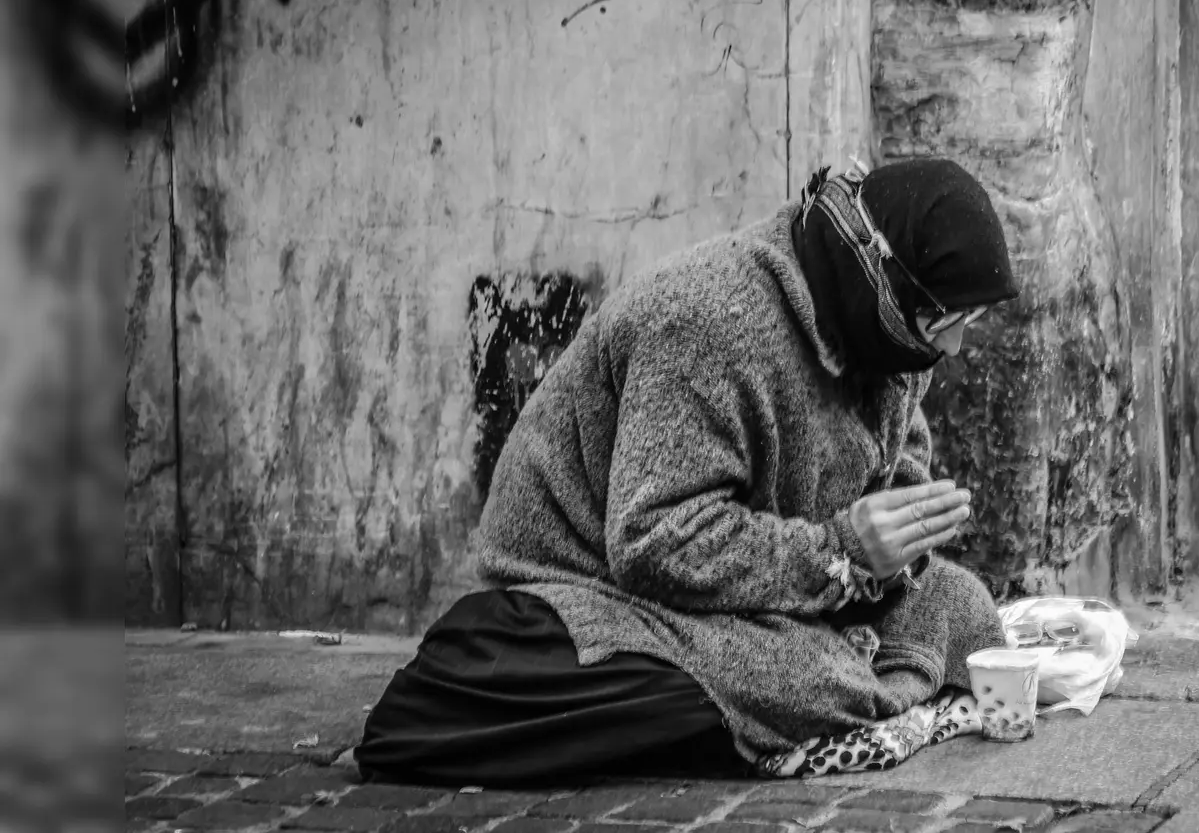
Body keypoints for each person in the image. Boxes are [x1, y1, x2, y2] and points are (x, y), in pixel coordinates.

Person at [354, 157, 1021, 786]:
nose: (953, 346)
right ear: (884, 284)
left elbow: (898, 450)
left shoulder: (892, 325)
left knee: (960, 605)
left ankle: (827, 674)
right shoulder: (705, 323)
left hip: (766, 580)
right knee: (808, 680)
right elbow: (654, 541)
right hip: (588, 586)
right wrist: (841, 555)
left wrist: (893, 544)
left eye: (967, 323)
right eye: (946, 321)